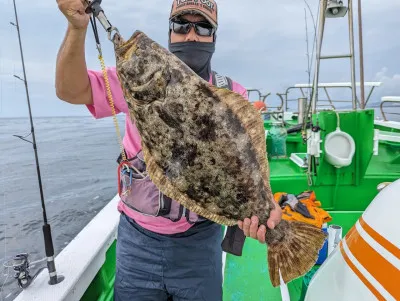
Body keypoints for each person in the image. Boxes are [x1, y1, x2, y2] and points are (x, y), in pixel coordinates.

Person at [55, 0, 282, 300]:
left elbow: (247, 162)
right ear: (170, 33)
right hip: (137, 243)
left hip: (199, 246)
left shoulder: (231, 94)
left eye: (202, 27)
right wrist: (76, 27)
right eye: (181, 25)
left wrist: (265, 208)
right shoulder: (128, 81)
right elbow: (68, 90)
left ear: (213, 35)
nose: (191, 35)